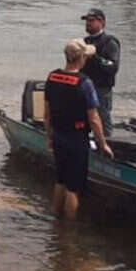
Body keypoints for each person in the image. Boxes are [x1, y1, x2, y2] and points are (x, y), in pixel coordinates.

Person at [44, 39, 114, 220]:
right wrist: (103, 143)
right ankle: (69, 232)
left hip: (58, 135)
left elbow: (47, 114)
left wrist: (49, 137)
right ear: (81, 58)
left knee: (60, 180)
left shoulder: (52, 77)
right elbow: (94, 118)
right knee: (73, 187)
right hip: (76, 138)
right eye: (86, 57)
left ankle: (55, 218)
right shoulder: (85, 83)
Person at [81, 8, 121, 138]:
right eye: (86, 21)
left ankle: (107, 147)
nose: (88, 23)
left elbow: (113, 68)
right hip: (84, 87)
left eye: (91, 21)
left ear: (101, 22)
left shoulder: (110, 42)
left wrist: (95, 57)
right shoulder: (84, 42)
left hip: (102, 88)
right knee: (82, 119)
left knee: (103, 120)